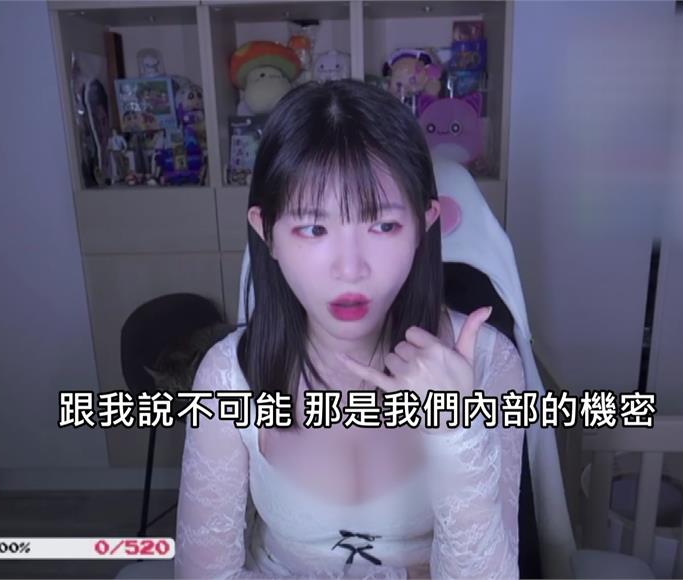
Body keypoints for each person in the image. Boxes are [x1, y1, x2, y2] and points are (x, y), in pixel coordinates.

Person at [174, 79, 524, 579]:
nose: (350, 269)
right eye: (314, 229)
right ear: (267, 231)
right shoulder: (228, 377)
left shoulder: (489, 363)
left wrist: (456, 433)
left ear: (424, 224)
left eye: (383, 226)